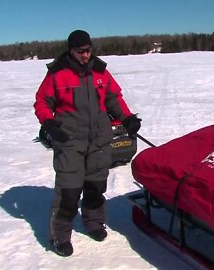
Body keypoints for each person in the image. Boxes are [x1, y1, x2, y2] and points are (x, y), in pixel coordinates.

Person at [33, 29, 141, 257]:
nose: (85, 55)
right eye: (81, 51)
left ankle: (94, 223)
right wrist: (49, 123)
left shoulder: (100, 72)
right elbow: (42, 102)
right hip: (70, 141)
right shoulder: (57, 74)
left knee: (95, 187)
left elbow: (114, 99)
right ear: (71, 50)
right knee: (69, 192)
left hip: (99, 140)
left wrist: (127, 118)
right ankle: (59, 236)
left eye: (88, 50)